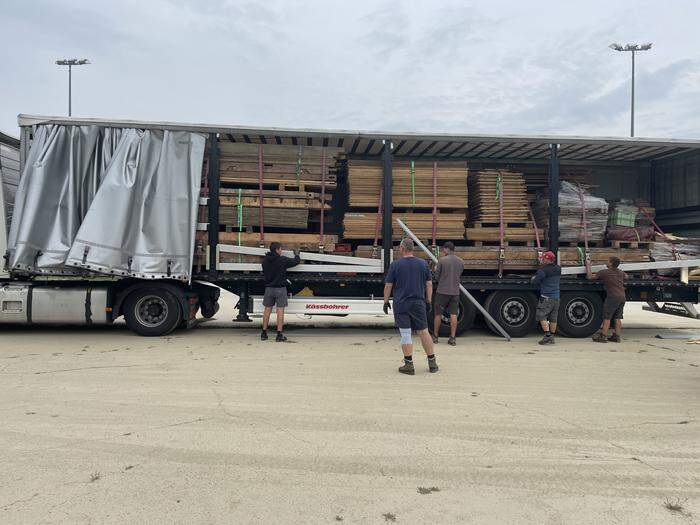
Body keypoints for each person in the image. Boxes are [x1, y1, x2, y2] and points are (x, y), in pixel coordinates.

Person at [383, 237, 438, 375]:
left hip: (401, 304)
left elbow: (388, 285)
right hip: (418, 303)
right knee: (423, 331)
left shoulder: (395, 265)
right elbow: (429, 284)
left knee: (406, 333)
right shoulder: (423, 264)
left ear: (402, 248)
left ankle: (409, 365)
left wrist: (385, 301)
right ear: (412, 249)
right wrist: (429, 301)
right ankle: (432, 363)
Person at [260, 241, 301, 342]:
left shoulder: (265, 261)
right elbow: (295, 262)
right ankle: (279, 335)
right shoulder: (282, 260)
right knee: (280, 311)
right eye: (280, 249)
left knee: (267, 310)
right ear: (277, 250)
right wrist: (297, 254)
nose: (281, 251)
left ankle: (263, 333)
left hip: (269, 288)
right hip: (280, 289)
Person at [587, 256, 627, 343]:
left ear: (611, 263)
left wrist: (588, 266)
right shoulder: (621, 272)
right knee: (618, 317)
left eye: (607, 261)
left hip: (612, 297)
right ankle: (617, 336)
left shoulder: (604, 272)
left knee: (607, 317)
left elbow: (590, 277)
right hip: (622, 296)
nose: (606, 262)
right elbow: (626, 276)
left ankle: (603, 336)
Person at [432, 241, 463, 346]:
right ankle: (452, 338)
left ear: (446, 249)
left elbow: (436, 277)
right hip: (455, 292)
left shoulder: (442, 261)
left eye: (443, 249)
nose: (443, 251)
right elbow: (460, 274)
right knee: (453, 314)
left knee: (438, 314)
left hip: (442, 291)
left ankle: (435, 337)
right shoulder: (460, 261)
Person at [531, 251, 561, 345]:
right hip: (556, 297)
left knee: (541, 315)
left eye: (544, 258)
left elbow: (535, 281)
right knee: (553, 318)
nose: (542, 260)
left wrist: (533, 278)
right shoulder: (558, 269)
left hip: (547, 297)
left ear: (548, 259)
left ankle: (547, 336)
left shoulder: (543, 270)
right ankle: (552, 337)